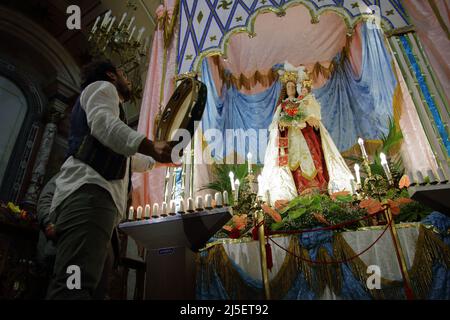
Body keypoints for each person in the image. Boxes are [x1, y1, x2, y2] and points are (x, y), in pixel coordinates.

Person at [46, 59, 176, 299]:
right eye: (123, 72)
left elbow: (128, 159)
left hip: (96, 202)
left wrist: (159, 159)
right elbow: (104, 124)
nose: (127, 79)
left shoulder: (109, 106)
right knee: (74, 288)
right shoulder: (102, 88)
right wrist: (150, 146)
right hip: (90, 197)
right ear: (111, 74)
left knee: (88, 289)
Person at [258, 63, 354, 205]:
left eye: (292, 87)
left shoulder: (303, 102)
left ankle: (318, 191)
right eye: (288, 87)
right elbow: (275, 125)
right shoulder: (282, 106)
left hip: (306, 138)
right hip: (290, 141)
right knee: (294, 167)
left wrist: (309, 120)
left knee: (313, 161)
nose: (291, 89)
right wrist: (284, 124)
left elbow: (313, 119)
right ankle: (297, 196)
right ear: (285, 89)